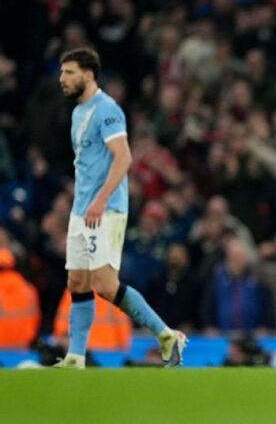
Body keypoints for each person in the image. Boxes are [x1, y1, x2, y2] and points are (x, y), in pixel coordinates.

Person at [56, 48, 187, 369]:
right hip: (82, 211)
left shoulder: (107, 110)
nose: (62, 79)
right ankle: (75, 356)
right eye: (61, 72)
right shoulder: (77, 113)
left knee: (104, 285)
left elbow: (124, 157)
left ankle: (167, 335)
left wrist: (100, 200)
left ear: (88, 75)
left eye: (69, 72)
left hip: (106, 209)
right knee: (77, 281)